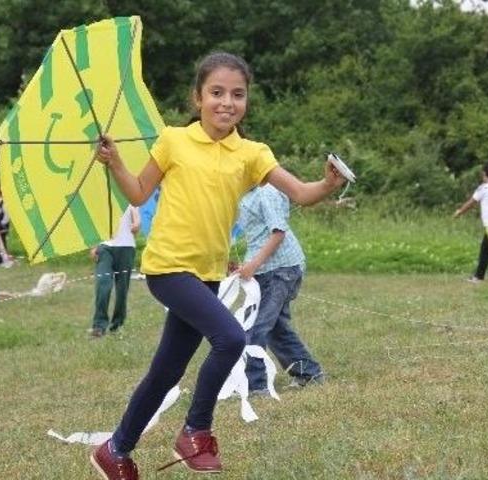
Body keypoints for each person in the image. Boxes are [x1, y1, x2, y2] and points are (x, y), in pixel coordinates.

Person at [90, 52, 345, 478]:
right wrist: (115, 161)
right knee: (230, 337)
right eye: (217, 93)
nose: (227, 102)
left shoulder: (251, 153)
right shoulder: (173, 140)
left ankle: (115, 450)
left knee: (166, 371)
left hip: (207, 274)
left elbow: (301, 193)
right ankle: (196, 431)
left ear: (247, 100)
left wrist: (328, 183)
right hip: (168, 267)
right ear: (198, 98)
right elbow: (138, 193)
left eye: (238, 94)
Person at [236, 185, 324, 395]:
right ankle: (308, 372)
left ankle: (256, 385)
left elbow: (278, 233)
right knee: (276, 327)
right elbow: (257, 235)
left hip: (282, 270)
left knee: (256, 326)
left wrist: (253, 264)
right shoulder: (245, 194)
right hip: (266, 269)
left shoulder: (266, 193)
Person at [90, 205, 140, 337]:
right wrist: (94, 245)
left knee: (122, 289)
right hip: (105, 248)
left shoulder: (130, 201)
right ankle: (99, 325)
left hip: (126, 248)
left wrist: (136, 224)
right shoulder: (102, 199)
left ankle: (117, 324)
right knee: (103, 283)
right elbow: (96, 224)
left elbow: (136, 220)